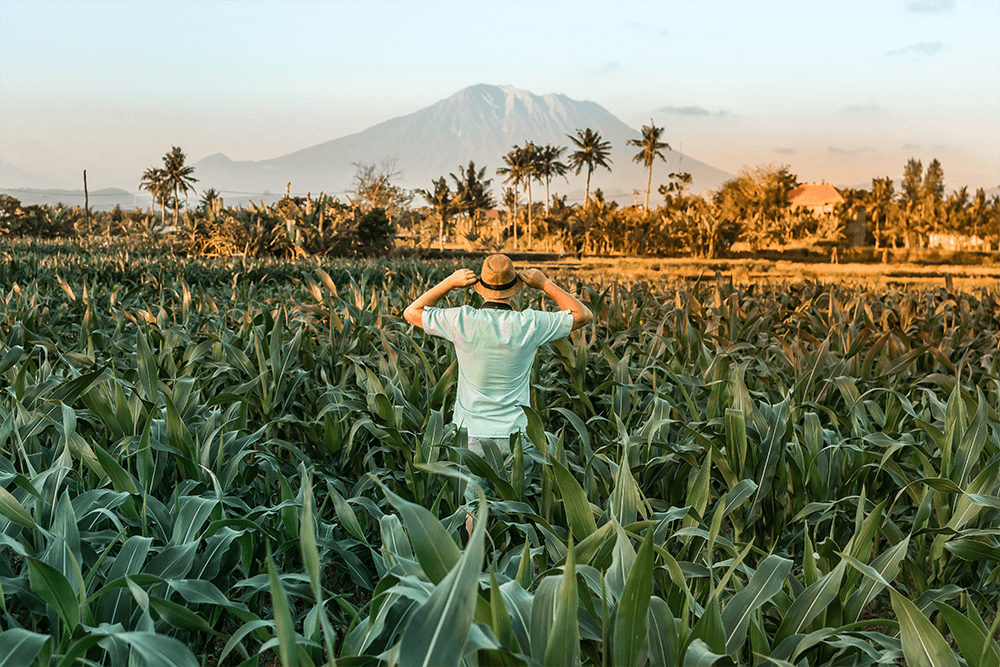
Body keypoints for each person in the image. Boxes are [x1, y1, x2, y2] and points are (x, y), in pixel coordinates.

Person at [403, 254, 593, 533]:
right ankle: (510, 565)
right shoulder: (529, 323)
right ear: (515, 287)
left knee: (475, 509)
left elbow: (411, 312)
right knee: (513, 507)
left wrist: (450, 282)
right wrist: (545, 284)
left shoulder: (462, 319)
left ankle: (479, 567)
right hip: (517, 435)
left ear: (479, 285)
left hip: (472, 435)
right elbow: (583, 315)